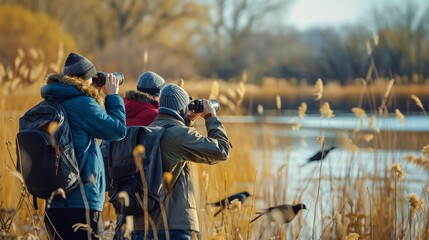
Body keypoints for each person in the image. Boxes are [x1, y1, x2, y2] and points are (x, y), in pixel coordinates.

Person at [42, 52, 127, 240]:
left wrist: (93, 91)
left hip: (53, 204)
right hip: (81, 203)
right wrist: (112, 96)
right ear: (86, 79)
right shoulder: (83, 103)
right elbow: (118, 130)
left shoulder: (52, 101)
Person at [131, 84, 231, 239]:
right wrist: (211, 117)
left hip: (141, 226)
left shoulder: (145, 130)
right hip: (173, 226)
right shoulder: (180, 135)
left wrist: (185, 122)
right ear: (183, 107)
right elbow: (222, 151)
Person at [112, 71, 166, 239]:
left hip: (122, 193)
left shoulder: (119, 111)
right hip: (146, 196)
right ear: (158, 96)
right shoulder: (155, 116)